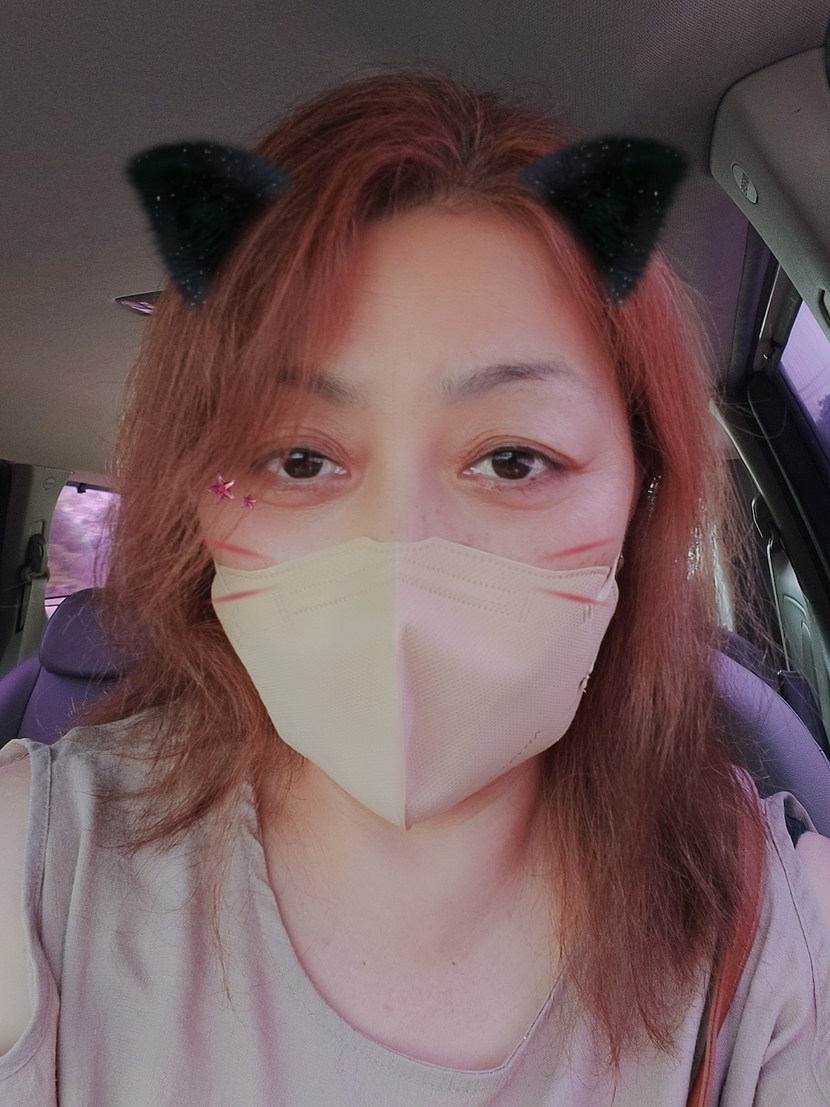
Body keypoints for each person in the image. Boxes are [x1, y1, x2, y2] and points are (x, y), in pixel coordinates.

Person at [1, 70, 829, 1106]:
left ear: (640, 493)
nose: (398, 551)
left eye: (513, 459)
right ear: (203, 510)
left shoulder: (776, 943)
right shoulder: (29, 871)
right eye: (299, 459)